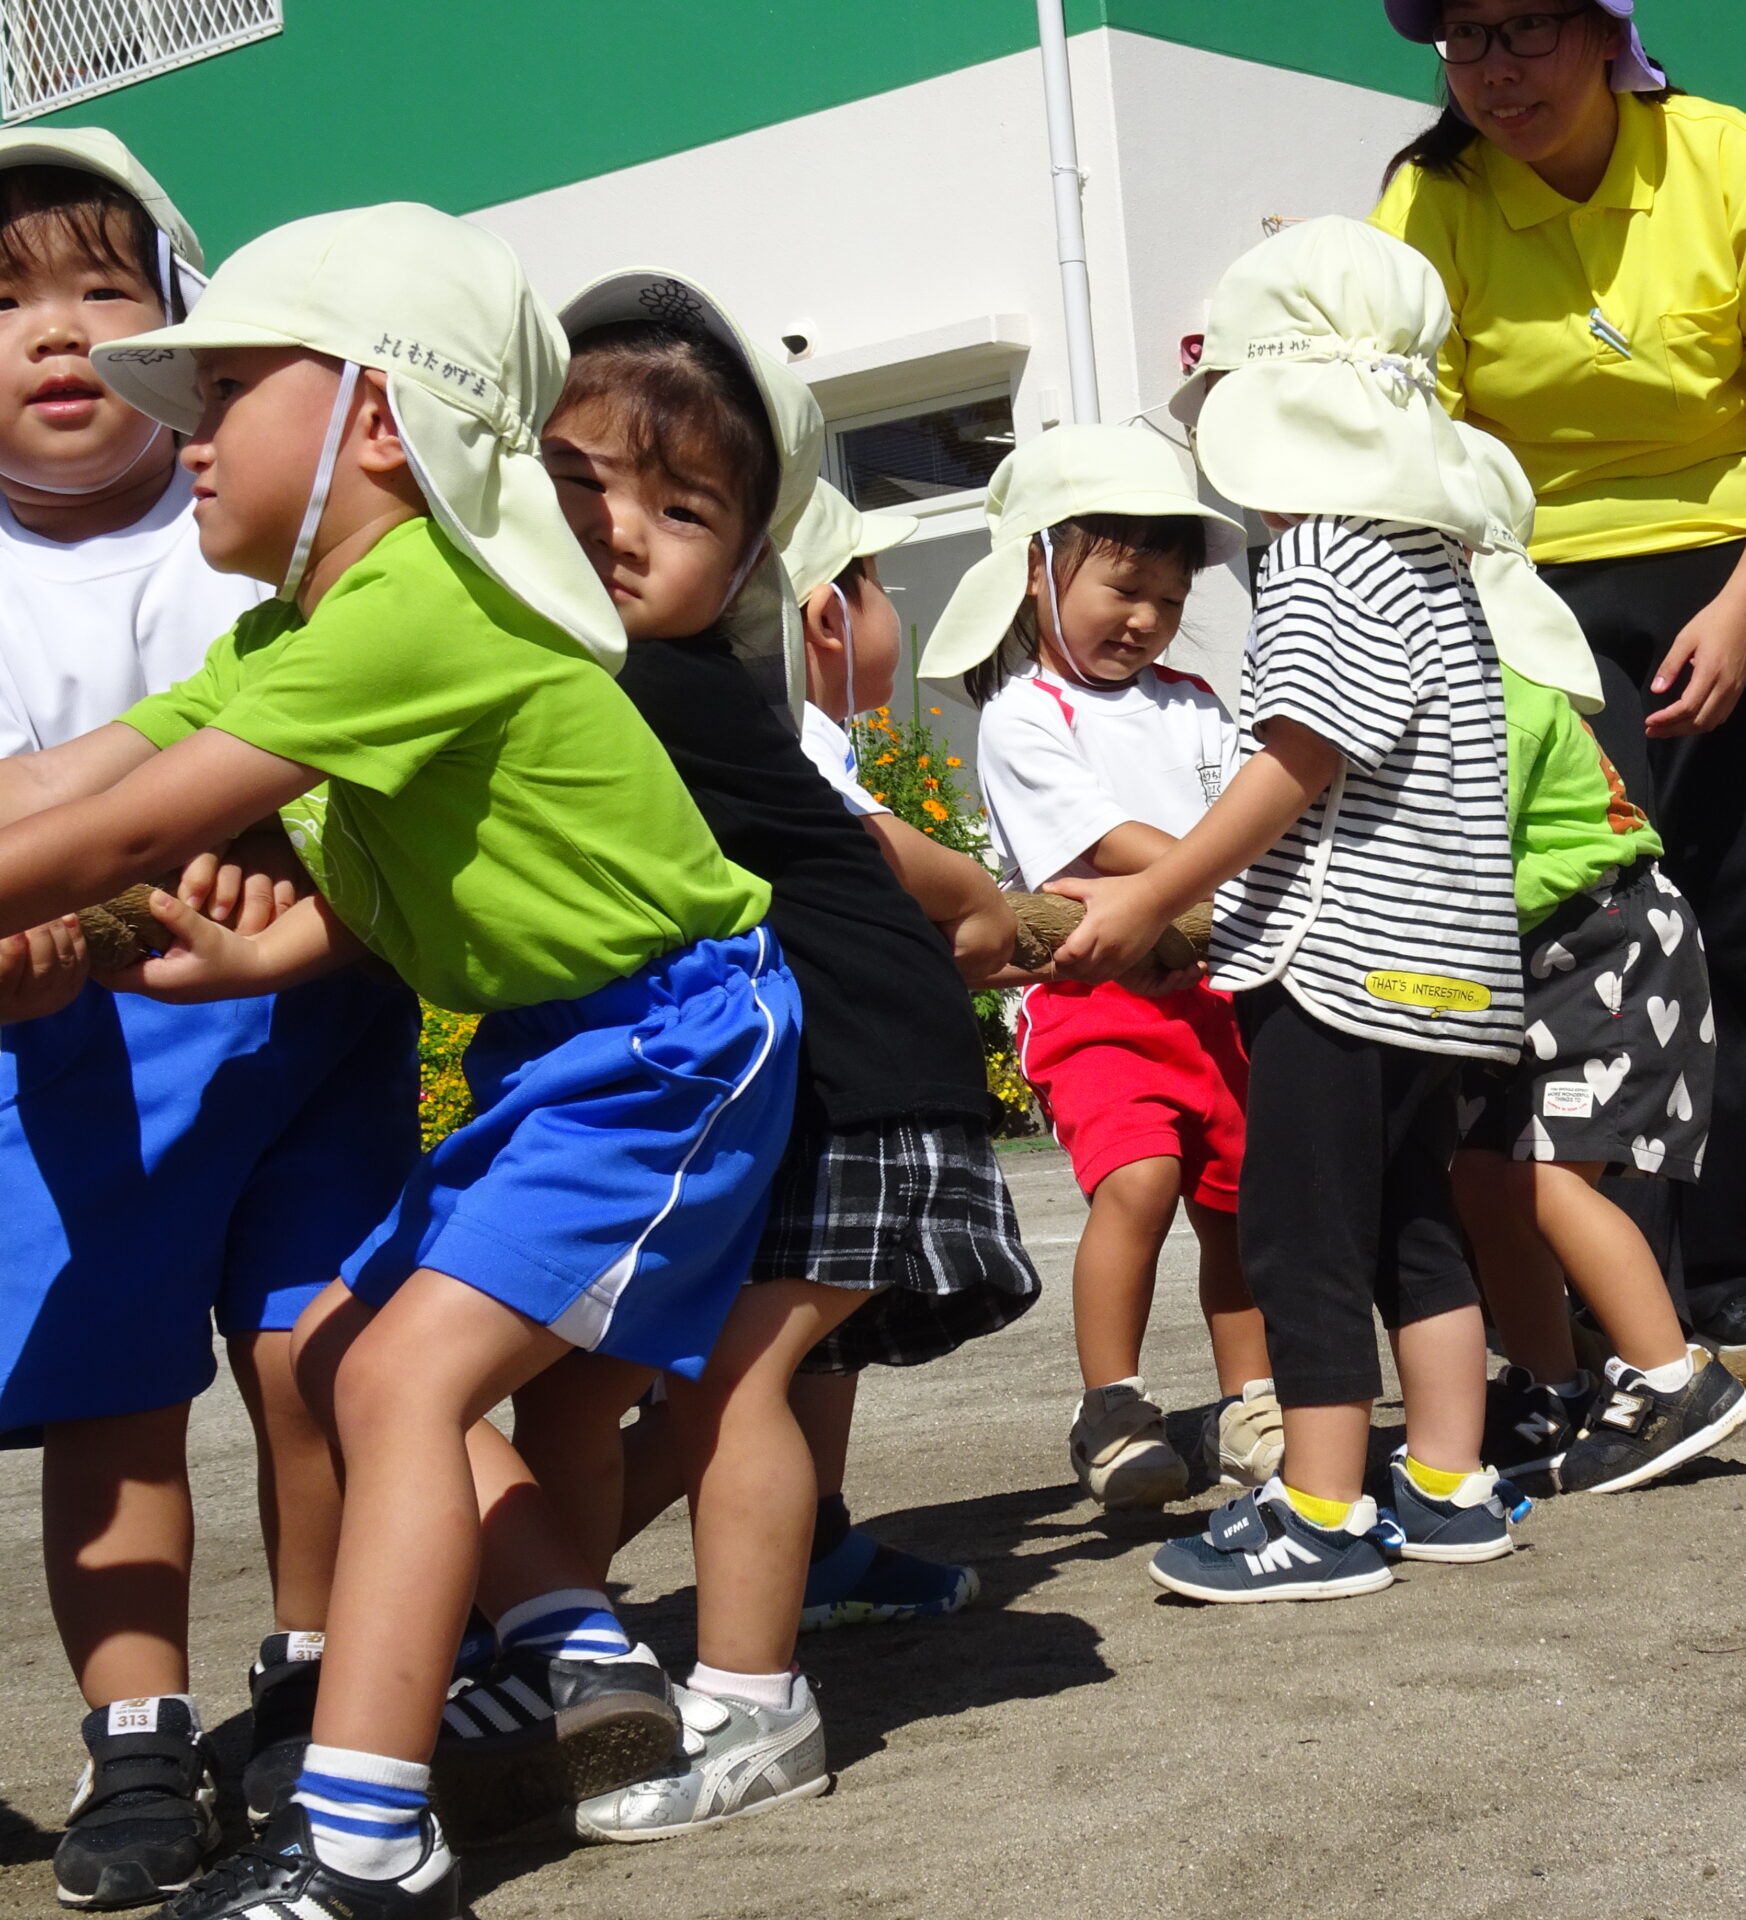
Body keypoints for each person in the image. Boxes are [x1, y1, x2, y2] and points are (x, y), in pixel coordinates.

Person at [0, 204, 805, 1920]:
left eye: (229, 392)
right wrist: (257, 951)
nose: (186, 433)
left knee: (397, 1383)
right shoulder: (293, 637)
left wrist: (93, 882)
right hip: (553, 1045)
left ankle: (366, 1833)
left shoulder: (420, 602)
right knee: (348, 1348)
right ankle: (550, 1651)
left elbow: (108, 836)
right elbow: (65, 783)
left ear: (378, 418)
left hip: (667, 1035)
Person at [476, 272, 1035, 1843]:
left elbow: (866, 848)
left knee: (734, 1381)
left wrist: (979, 909)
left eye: (682, 508)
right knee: (592, 1386)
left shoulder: (647, 687)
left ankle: (750, 1703)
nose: (620, 528)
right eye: (580, 480)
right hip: (787, 1072)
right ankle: (560, 1642)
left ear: (740, 569)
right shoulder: (599, 674)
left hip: (857, 1074)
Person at [0, 130, 416, 1909]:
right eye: (4, 303)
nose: (57, 332)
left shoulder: (248, 529)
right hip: (79, 1042)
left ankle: (322, 1673)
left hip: (309, 1007)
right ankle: (137, 1735)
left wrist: (287, 846)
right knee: (112, 1395)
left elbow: (363, 738)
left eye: (105, 290)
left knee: (319, 1350)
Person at [1371, 0, 1746, 1353]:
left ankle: (1732, 1275)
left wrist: (1743, 607)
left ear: (1604, 32)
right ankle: (1611, 1293)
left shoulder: (1727, 157)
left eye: (1523, 29)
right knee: (1596, 928)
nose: (1493, 70)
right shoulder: (1431, 197)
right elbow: (1418, 442)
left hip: (1740, 561)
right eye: (1462, 40)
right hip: (1535, 594)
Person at [1050, 217, 1525, 1603]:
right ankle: (1451, 1481)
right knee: (1413, 1224)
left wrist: (1160, 888)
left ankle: (1320, 1507)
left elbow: (1301, 752)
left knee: (1302, 1231)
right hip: (1446, 968)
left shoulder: (1326, 558)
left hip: (1338, 964)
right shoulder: (1434, 561)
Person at [916, 423, 1280, 1510]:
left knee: (1238, 1198)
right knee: (1141, 1178)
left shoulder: (1194, 702)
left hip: (1213, 992)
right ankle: (1112, 1404)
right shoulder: (1028, 713)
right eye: (1123, 588)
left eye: (1168, 598)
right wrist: (1222, 871)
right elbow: (1109, 843)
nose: (1145, 618)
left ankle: (1251, 1399)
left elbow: (1240, 808)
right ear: (1038, 573)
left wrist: (1229, 877)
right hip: (1097, 999)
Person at [1441, 426, 1746, 1496]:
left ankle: (1670, 1376)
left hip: (1606, 947)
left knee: (1542, 1175)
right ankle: (1552, 1385)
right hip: (1558, 956)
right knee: (1486, 1176)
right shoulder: (1488, 675)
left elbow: (1461, 846)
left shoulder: (1498, 690)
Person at [769, 476, 1023, 1629]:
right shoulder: (790, 742)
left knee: (820, 1341)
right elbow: (860, 849)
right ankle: (529, 1580)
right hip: (823, 1080)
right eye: (877, 588)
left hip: (811, 1059)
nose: (894, 613)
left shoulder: (816, 737)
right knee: (769, 1350)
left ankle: (817, 1541)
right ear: (827, 616)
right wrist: (971, 892)